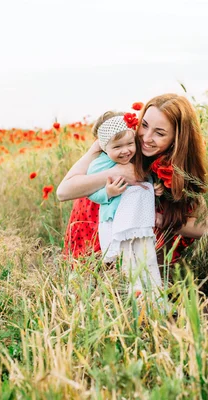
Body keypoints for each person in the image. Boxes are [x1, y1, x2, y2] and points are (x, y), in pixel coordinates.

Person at [57, 93, 208, 267]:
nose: (145, 138)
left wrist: (153, 218)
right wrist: (117, 172)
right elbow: (63, 191)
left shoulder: (179, 168)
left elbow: (202, 228)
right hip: (95, 235)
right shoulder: (118, 143)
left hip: (142, 249)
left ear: (177, 139)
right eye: (144, 125)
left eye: (159, 133)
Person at [86, 111, 162, 295]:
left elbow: (142, 179)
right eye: (117, 147)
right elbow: (90, 192)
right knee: (128, 263)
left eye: (129, 144)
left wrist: (155, 186)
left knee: (147, 258)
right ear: (105, 148)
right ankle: (135, 301)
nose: (125, 150)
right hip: (116, 222)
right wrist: (107, 192)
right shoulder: (100, 165)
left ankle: (155, 299)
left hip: (139, 222)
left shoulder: (136, 159)